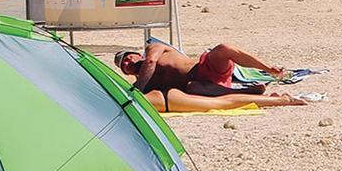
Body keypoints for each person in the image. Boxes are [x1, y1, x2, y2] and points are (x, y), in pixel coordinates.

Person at [114, 45, 307, 112]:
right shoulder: (145, 84)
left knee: (223, 49)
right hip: (200, 86)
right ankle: (247, 91)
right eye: (123, 66)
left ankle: (268, 68)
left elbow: (150, 63)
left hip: (204, 68)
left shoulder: (153, 50)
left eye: (127, 58)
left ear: (137, 54)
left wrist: (138, 89)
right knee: (193, 88)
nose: (126, 63)